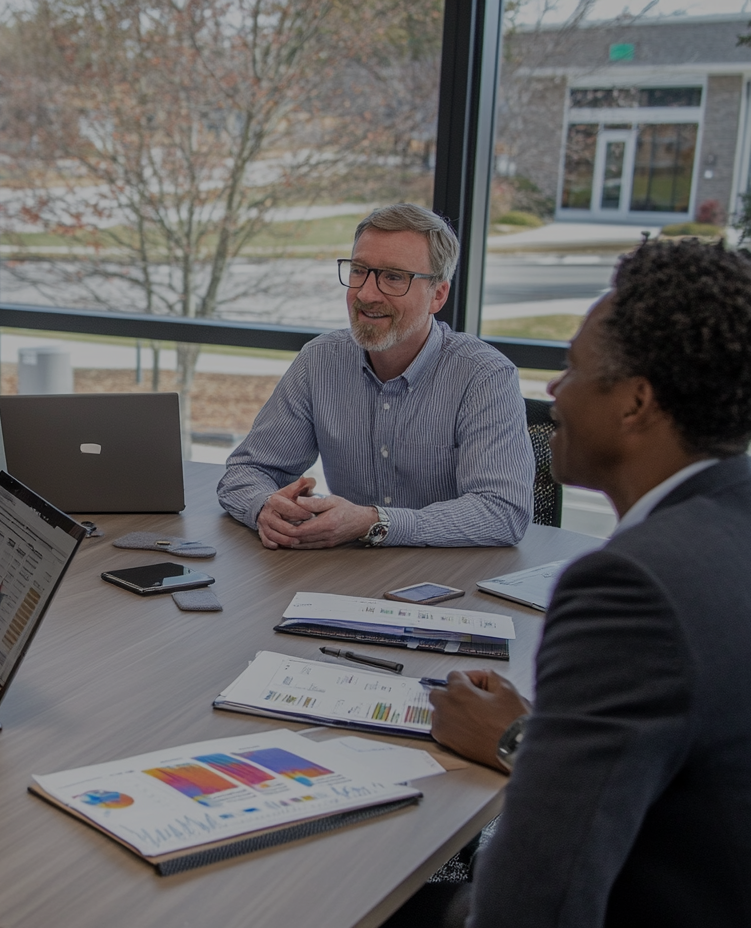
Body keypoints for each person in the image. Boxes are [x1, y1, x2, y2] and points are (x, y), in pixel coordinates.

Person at [426, 240, 751, 927]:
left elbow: (536, 903)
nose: (552, 392)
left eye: (571, 367)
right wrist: (527, 739)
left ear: (635, 402)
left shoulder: (630, 585)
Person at [217, 203, 533, 549]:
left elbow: (503, 512)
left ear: (437, 295)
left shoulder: (484, 376)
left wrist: (374, 522)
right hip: (351, 575)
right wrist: (265, 507)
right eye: (359, 271)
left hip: (450, 579)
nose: (366, 294)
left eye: (393, 277)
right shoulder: (320, 360)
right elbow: (246, 471)